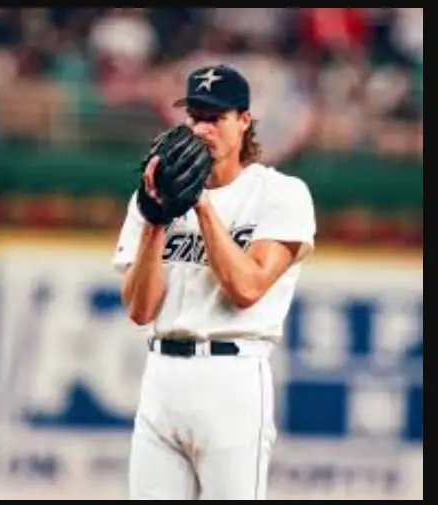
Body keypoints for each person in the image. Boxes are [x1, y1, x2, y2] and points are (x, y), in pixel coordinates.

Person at [112, 64, 317, 500]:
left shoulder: (280, 193)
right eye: (195, 117)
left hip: (233, 378)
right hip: (161, 378)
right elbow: (140, 309)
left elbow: (247, 288)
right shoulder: (155, 193)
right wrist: (155, 220)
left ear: (244, 121)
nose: (202, 129)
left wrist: (201, 205)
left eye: (215, 118)